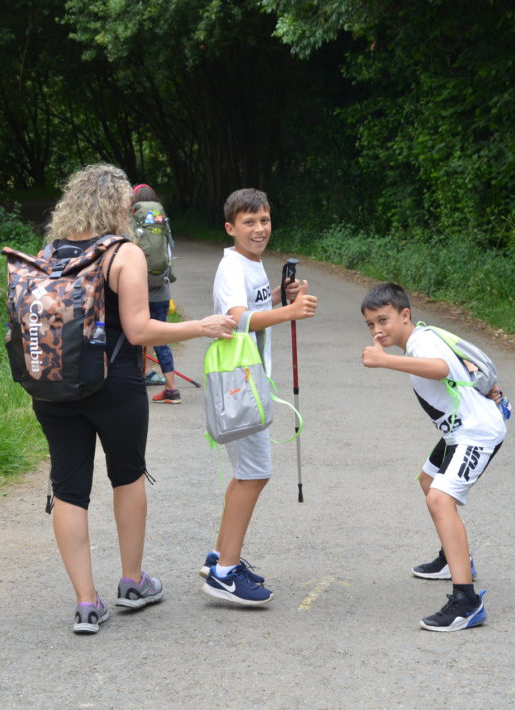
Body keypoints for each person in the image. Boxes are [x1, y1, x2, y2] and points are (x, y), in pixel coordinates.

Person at [32, 164, 235, 634]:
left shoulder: (48, 253)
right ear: (118, 206)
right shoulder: (124, 254)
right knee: (127, 477)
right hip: (115, 385)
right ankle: (131, 582)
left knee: (68, 490)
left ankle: (86, 604)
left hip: (54, 386)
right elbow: (140, 328)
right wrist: (200, 326)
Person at [360, 282, 506, 631]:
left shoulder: (420, 343)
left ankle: (466, 602)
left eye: (384, 320)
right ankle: (454, 559)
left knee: (440, 500)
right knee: (428, 480)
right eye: (371, 325)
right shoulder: (422, 335)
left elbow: (440, 368)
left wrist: (385, 361)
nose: (378, 331)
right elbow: (463, 361)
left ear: (405, 315)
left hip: (475, 431)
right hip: (458, 428)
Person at [200, 187, 318, 606]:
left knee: (246, 472)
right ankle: (225, 573)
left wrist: (281, 298)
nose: (259, 229)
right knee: (255, 472)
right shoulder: (233, 266)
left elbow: (255, 307)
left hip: (248, 380)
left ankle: (220, 557)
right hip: (238, 384)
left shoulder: (252, 263)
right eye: (249, 222)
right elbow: (238, 319)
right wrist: (289, 312)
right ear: (230, 228)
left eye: (264, 220)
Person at [130, 183, 180, 402]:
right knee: (160, 337)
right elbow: (170, 252)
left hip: (138, 291)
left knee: (134, 336)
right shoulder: (162, 223)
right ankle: (171, 387)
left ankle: (135, 385)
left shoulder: (134, 222)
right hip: (162, 289)